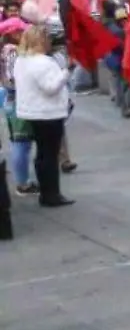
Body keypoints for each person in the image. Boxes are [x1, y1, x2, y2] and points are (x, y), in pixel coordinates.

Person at [13, 26, 73, 208]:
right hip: (48, 113)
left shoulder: (21, 60)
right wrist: (66, 72)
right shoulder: (42, 62)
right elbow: (51, 87)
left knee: (42, 153)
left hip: (31, 111)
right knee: (49, 155)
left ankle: (46, 191)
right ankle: (51, 194)